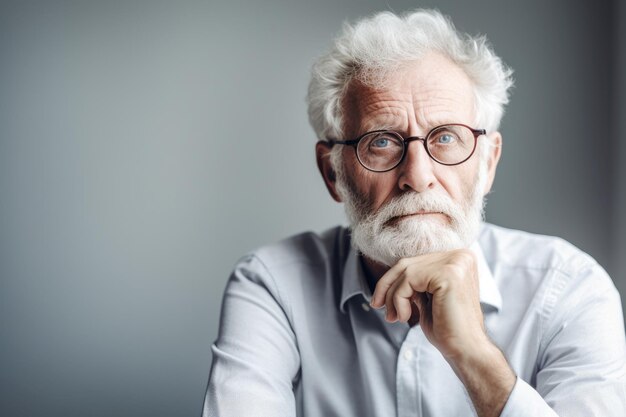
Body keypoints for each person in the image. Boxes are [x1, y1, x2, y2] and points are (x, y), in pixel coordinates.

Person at [203, 9, 626, 417]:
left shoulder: (569, 289)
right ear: (333, 173)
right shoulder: (274, 285)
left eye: (445, 137)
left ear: (488, 163)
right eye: (382, 142)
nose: (418, 176)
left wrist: (473, 354)